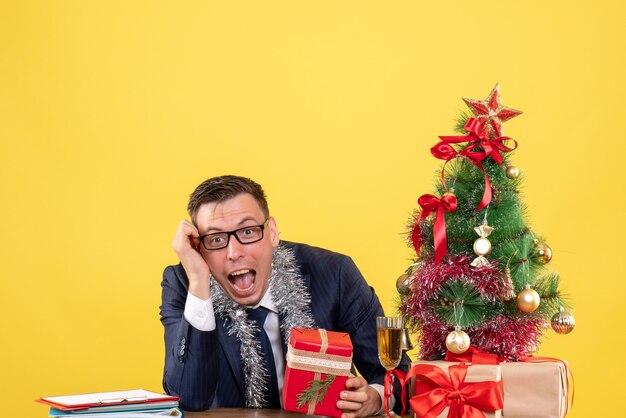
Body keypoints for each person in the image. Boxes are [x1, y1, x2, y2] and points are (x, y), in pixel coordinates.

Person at [160, 175, 410, 417]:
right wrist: (199, 283)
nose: (233, 253)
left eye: (247, 232)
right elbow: (187, 397)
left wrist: (375, 399)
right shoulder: (185, 284)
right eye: (215, 239)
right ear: (198, 247)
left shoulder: (334, 274)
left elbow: (397, 374)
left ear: (272, 232)